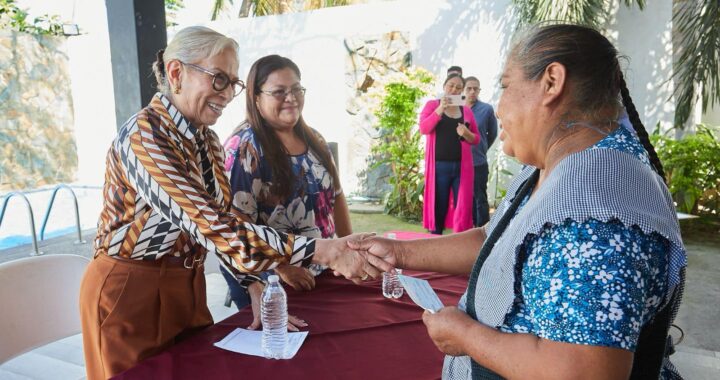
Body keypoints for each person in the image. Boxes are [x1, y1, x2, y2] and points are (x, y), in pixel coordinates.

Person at [351, 24, 686, 379]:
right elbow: (496, 239)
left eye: (506, 86)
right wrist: (399, 253)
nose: (498, 107)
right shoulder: (560, 164)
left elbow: (583, 372)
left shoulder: (594, 209)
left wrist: (466, 336)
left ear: (551, 83)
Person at [78, 26, 386, 379]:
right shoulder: (144, 136)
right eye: (219, 79)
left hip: (186, 284)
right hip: (130, 289)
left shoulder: (206, 139)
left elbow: (224, 217)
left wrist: (251, 283)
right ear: (176, 73)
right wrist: (323, 250)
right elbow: (210, 223)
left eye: (233, 83)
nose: (226, 95)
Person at [221, 55, 352, 330]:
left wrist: (350, 249)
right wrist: (282, 267)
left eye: (296, 89)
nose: (291, 98)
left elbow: (336, 196)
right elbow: (236, 225)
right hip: (270, 282)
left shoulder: (314, 138)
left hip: (322, 271)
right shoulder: (245, 149)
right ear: (256, 97)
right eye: (279, 91)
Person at [419, 74, 480, 235]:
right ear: (444, 86)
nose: (454, 89)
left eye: (458, 87)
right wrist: (440, 110)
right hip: (439, 167)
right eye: (451, 85)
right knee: (439, 205)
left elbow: (476, 139)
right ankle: (435, 240)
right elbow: (424, 129)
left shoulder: (466, 110)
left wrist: (467, 133)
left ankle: (458, 244)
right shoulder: (432, 105)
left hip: (462, 168)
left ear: (462, 91)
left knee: (462, 206)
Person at [464, 76, 497, 227]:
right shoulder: (456, 109)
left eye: (475, 89)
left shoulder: (487, 109)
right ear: (464, 89)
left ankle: (483, 231)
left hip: (478, 162)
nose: (472, 92)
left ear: (479, 90)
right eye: (469, 88)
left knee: (480, 198)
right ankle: (466, 231)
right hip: (458, 162)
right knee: (464, 198)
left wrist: (481, 148)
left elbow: (493, 134)